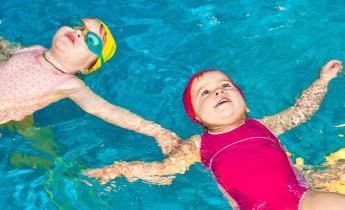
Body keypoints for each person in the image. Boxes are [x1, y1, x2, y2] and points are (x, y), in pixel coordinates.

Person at [84, 60, 345, 210]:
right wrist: (118, 169)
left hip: (304, 199)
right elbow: (164, 168)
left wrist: (323, 80)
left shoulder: (265, 125)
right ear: (196, 118)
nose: (218, 92)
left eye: (225, 85)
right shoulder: (198, 144)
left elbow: (302, 110)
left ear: (245, 103)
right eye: (205, 93)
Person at [0, 17, 180, 157]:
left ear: (86, 67)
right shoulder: (33, 49)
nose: (79, 33)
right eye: (79, 26)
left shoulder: (69, 84)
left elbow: (105, 109)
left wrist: (157, 131)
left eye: (91, 40)